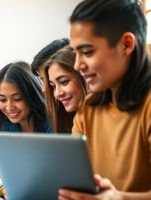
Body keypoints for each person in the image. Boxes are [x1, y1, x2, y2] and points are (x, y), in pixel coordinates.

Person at [59, 0, 151, 199]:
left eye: (87, 52)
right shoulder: (88, 108)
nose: (77, 65)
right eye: (76, 53)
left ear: (126, 44)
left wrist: (119, 197)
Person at [0, 62, 51, 133]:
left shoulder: (52, 121)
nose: (9, 107)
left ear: (32, 95)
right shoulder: (4, 125)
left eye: (17, 99)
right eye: (3, 100)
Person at [43, 46, 87, 133]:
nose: (57, 94)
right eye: (53, 87)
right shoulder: (75, 120)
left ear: (84, 77)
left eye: (64, 82)